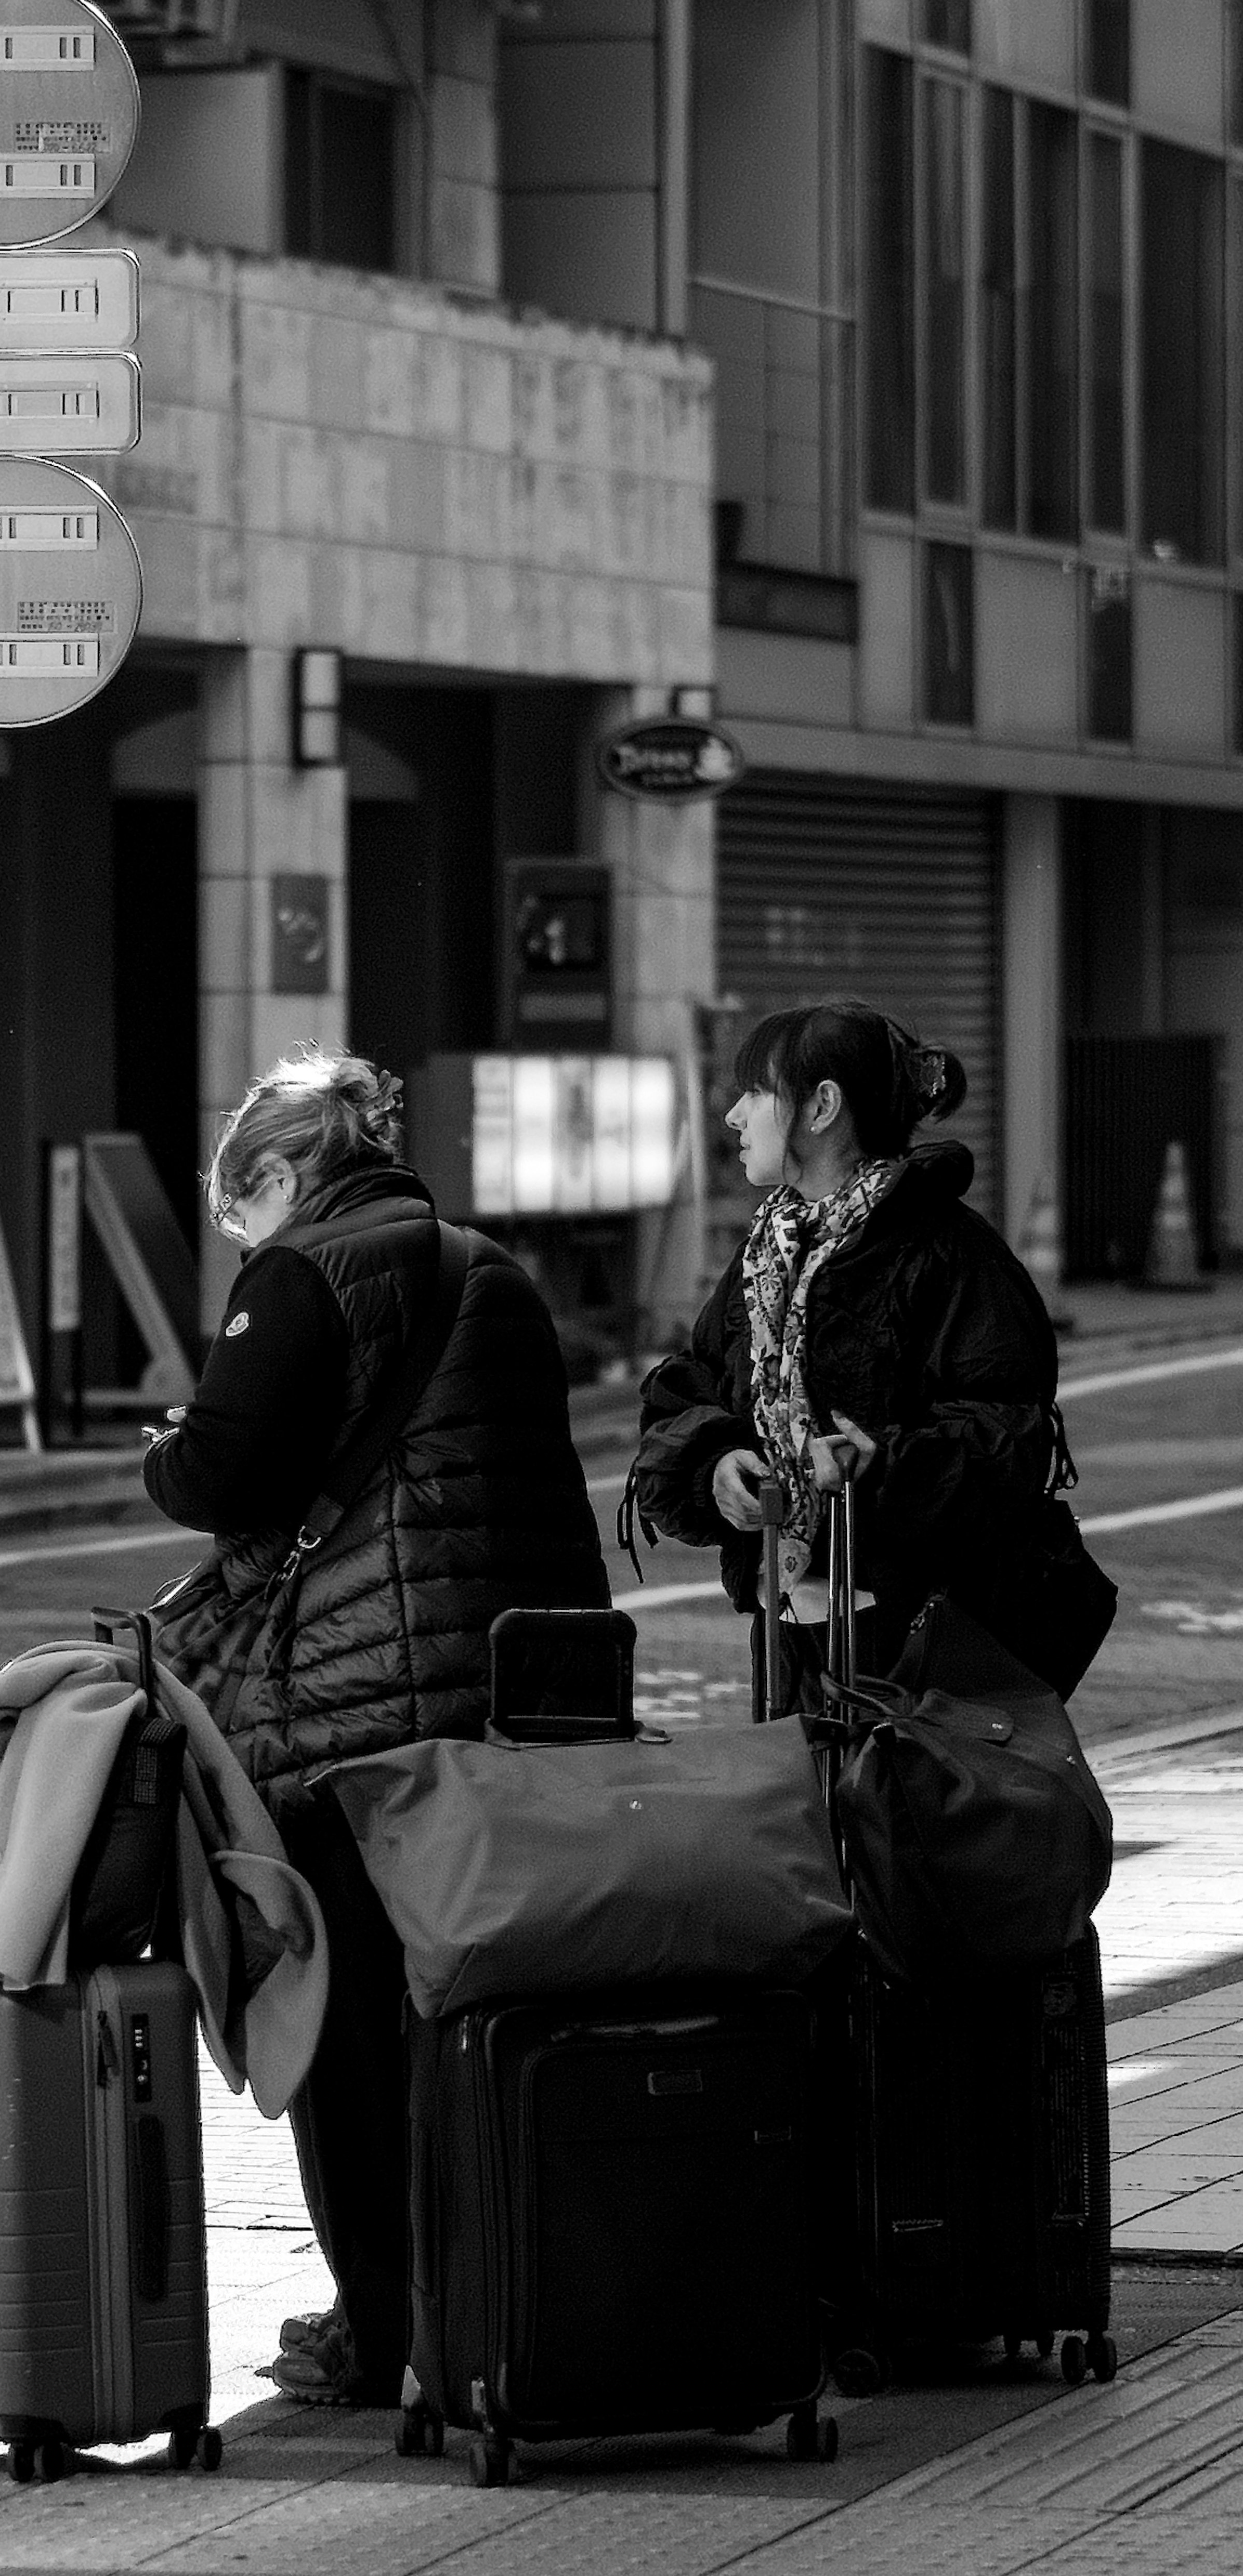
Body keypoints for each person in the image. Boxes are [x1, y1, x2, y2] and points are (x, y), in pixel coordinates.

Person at [143, 1045, 611, 2407]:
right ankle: (505, 2296)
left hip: (361, 1719)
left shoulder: (304, 1275)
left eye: (241, 1211)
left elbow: (226, 1472)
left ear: (283, 1173)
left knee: (348, 2033)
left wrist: (167, 1448)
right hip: (520, 1698)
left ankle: (386, 2325)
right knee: (481, 2014)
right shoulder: (489, 1268)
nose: (244, 1237)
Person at [632, 1000, 1062, 1704]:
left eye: (758, 1094)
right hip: (788, 1625)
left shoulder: (948, 1252)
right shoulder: (768, 1253)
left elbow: (1011, 1438)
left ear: (822, 1106)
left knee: (890, 1814)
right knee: (796, 1807)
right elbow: (688, 1392)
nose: (735, 1116)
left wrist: (882, 1465)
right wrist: (714, 1465)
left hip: (918, 1643)